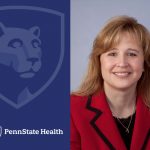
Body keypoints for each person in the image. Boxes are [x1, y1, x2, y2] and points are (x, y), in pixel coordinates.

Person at [71, 16, 150, 150]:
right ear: (99, 62)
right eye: (113, 54)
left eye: (132, 54)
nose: (122, 63)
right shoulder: (71, 110)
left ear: (144, 64)